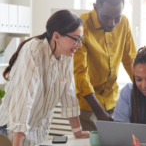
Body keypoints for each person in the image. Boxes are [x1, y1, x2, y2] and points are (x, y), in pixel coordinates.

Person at [0, 10, 89, 146]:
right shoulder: (33, 50)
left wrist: (78, 131)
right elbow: (23, 99)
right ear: (57, 36)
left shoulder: (66, 55)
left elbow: (69, 94)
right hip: (12, 131)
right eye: (76, 39)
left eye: (81, 39)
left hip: (37, 131)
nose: (80, 45)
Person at [73, 0, 137, 131]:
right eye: (106, 17)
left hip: (113, 100)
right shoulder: (80, 26)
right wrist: (99, 111)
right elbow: (80, 72)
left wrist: (144, 87)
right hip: (88, 104)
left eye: (117, 18)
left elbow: (130, 59)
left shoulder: (124, 22)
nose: (111, 23)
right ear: (96, 7)